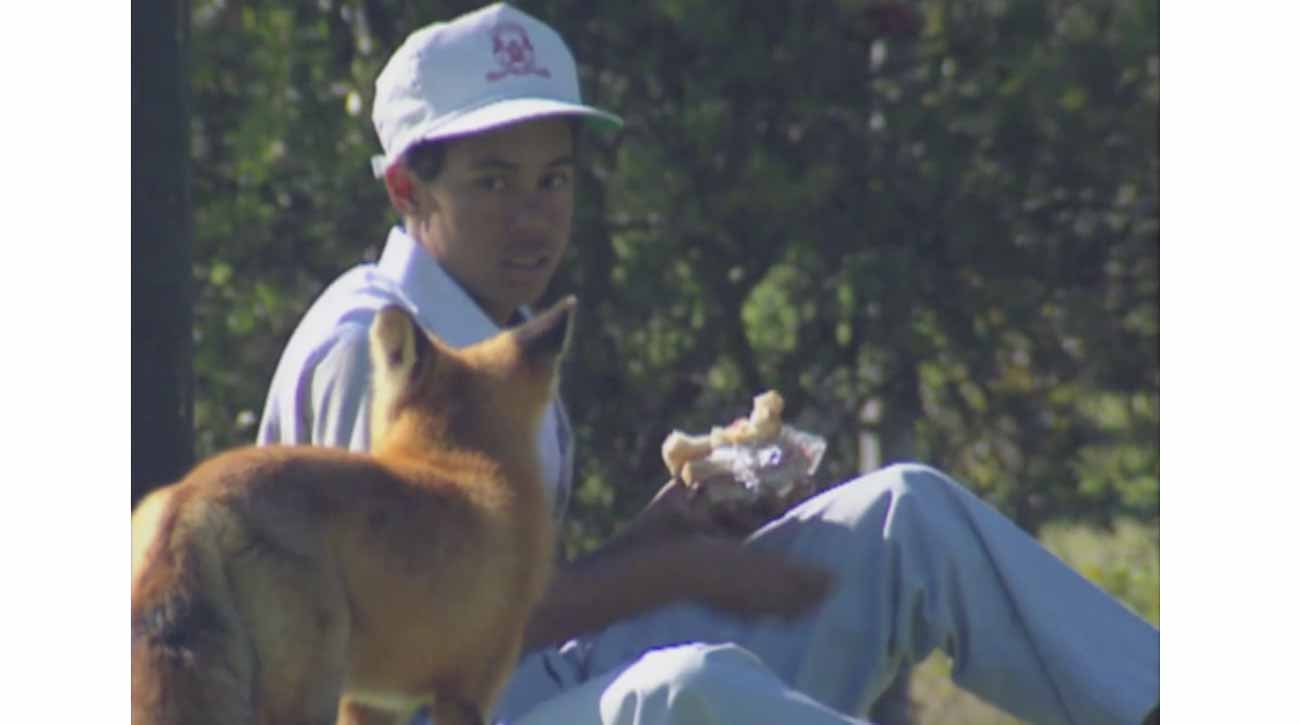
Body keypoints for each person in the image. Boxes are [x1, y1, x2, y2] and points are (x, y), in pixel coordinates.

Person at [257, 4, 1160, 724]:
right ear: (408, 186)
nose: (533, 216)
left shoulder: (499, 325)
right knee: (688, 690)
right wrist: (667, 574)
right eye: (493, 180)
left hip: (522, 687)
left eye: (554, 178)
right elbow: (400, 660)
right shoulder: (369, 351)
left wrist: (654, 537)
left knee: (904, 513)